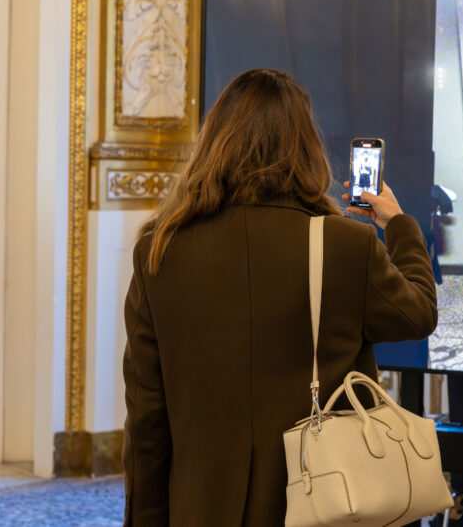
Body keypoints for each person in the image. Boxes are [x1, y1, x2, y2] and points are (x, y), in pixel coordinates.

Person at [122, 69, 437, 526]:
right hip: (322, 504)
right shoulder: (346, 245)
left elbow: (146, 418)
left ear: (214, 143)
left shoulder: (160, 250)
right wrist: (400, 225)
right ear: (306, 148)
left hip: (200, 507)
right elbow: (418, 313)